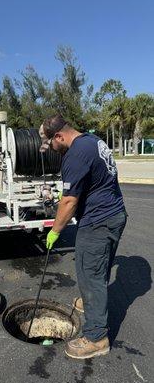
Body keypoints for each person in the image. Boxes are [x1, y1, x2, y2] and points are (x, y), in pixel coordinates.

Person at [39, 115, 127, 359]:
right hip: (115, 215)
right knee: (100, 268)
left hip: (98, 223)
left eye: (51, 144)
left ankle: (97, 337)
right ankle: (92, 302)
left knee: (90, 274)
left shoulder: (75, 155)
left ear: (58, 136)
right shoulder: (92, 140)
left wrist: (55, 231)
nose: (52, 150)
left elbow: (69, 201)